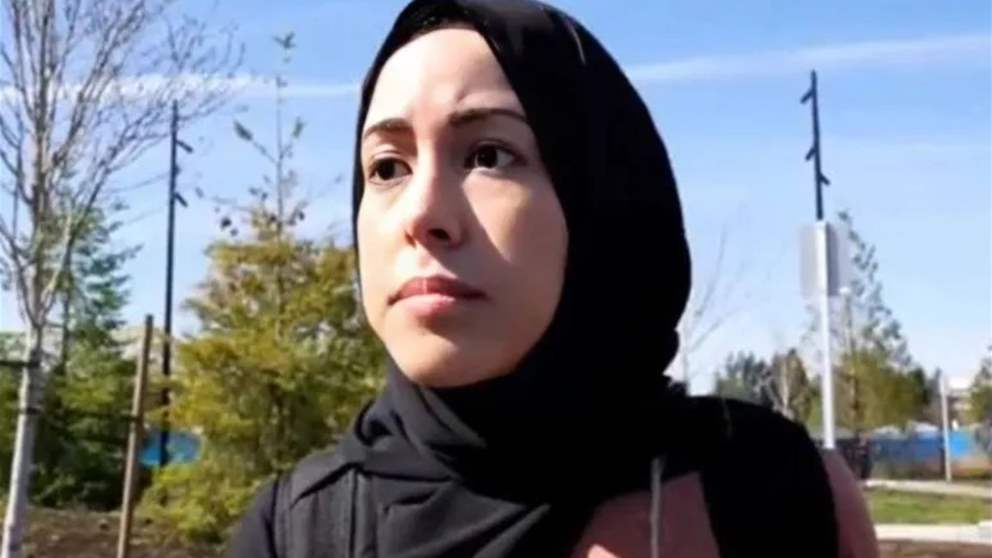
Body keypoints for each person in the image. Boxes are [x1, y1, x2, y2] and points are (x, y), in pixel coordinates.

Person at [227, 1, 878, 556]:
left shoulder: (772, 495)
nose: (421, 215)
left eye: (488, 155)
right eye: (388, 167)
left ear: (600, 199)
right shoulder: (296, 531)